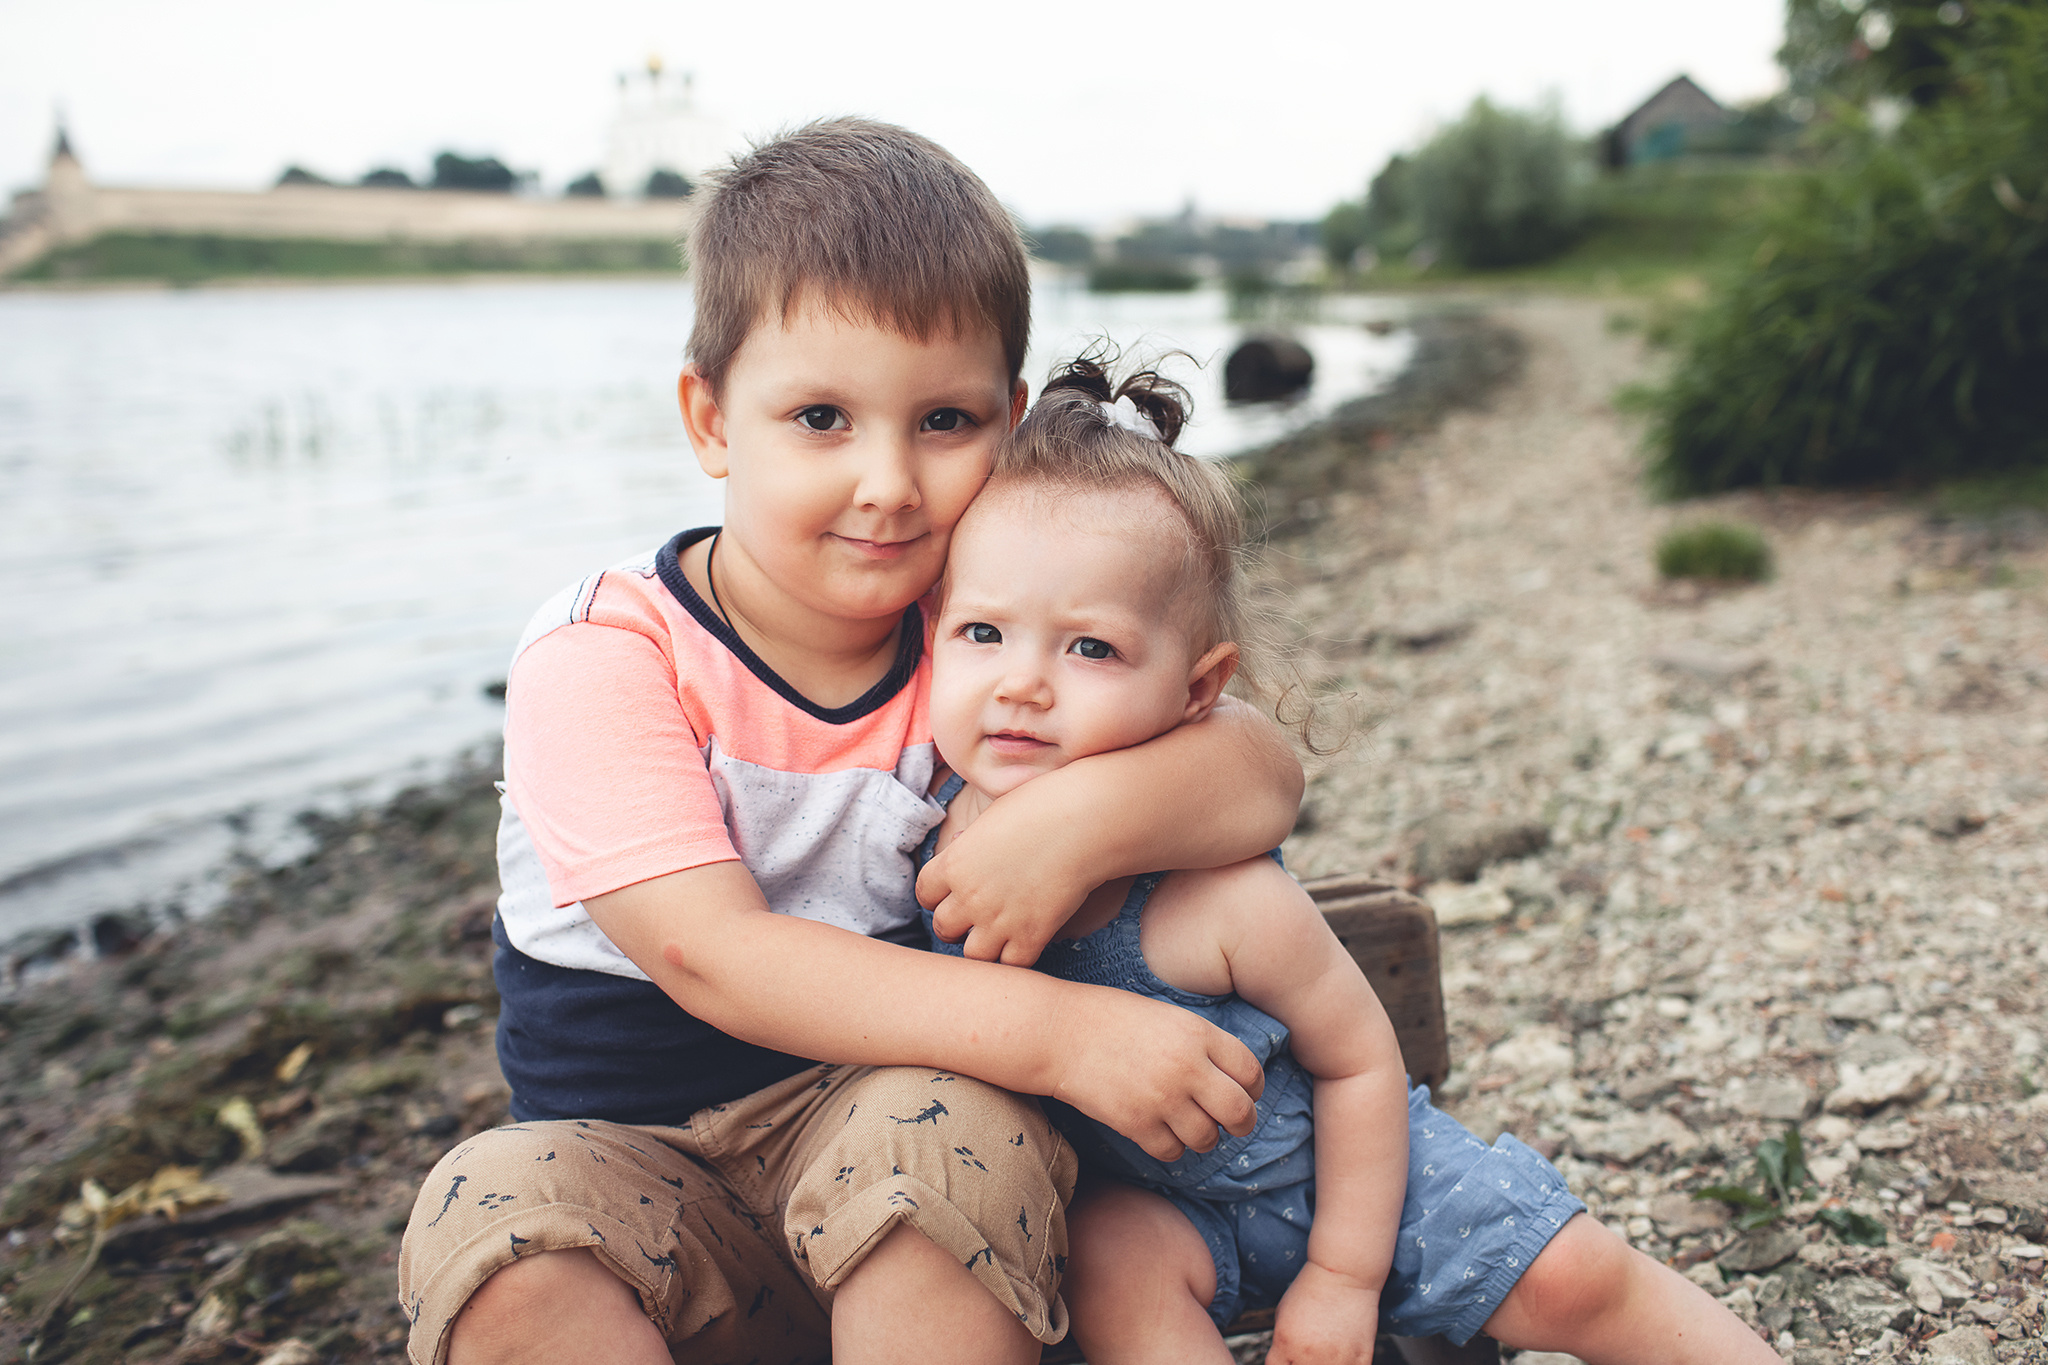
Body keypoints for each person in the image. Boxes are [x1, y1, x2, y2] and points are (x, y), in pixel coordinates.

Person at [395, 120, 1306, 1365]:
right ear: (711, 420)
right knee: (486, 1219)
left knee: (949, 1128)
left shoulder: (981, 638)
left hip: (898, 1144)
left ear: (1014, 420)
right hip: (639, 1174)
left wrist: (1073, 817)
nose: (887, 483)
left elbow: (1257, 769)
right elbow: (713, 956)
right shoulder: (606, 654)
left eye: (943, 420)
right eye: (820, 417)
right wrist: (1064, 1036)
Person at [918, 356, 1784, 1365]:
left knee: (1574, 1278)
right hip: (1164, 1216)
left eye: (1090, 650)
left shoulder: (1220, 897)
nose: (1021, 684)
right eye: (982, 632)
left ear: (1200, 691)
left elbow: (1361, 1062)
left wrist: (1341, 1278)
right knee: (1111, 1263)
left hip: (1351, 1179)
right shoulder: (928, 836)